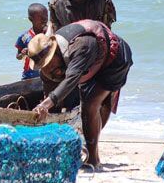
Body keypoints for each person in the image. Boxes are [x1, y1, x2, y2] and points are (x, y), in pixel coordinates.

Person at [29, 19, 133, 168]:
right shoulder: (49, 67)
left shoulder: (81, 45)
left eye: (50, 62)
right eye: (44, 66)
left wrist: (46, 103)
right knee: (83, 102)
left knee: (91, 105)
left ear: (55, 50)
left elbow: (72, 78)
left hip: (115, 59)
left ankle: (93, 159)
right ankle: (87, 143)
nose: (50, 69)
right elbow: (50, 89)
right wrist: (45, 107)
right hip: (90, 66)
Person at [15, 3, 48, 80]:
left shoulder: (49, 33)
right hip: (29, 75)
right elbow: (18, 57)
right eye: (41, 17)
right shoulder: (24, 37)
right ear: (31, 19)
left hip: (47, 74)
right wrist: (23, 53)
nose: (45, 19)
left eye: (46, 16)